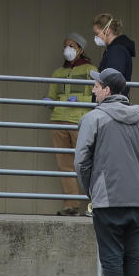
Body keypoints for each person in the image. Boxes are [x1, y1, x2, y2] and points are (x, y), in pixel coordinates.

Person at [75, 67, 139, 276]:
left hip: (107, 200)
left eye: (96, 86)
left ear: (107, 90)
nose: (93, 90)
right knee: (134, 256)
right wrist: (137, 186)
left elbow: (81, 162)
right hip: (136, 199)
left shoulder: (93, 119)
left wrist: (92, 190)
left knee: (110, 256)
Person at [46, 32, 93, 216]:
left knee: (86, 163)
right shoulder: (58, 72)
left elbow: (96, 95)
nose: (67, 49)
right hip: (58, 120)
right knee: (64, 165)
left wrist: (80, 99)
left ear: (80, 49)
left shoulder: (90, 70)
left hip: (80, 121)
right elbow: (51, 95)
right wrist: (48, 101)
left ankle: (93, 204)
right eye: (66, 45)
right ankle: (71, 204)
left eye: (72, 46)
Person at [92, 13, 136, 82]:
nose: (96, 37)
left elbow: (113, 80)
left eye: (97, 33)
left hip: (113, 92)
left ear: (107, 31)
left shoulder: (117, 51)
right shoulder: (113, 49)